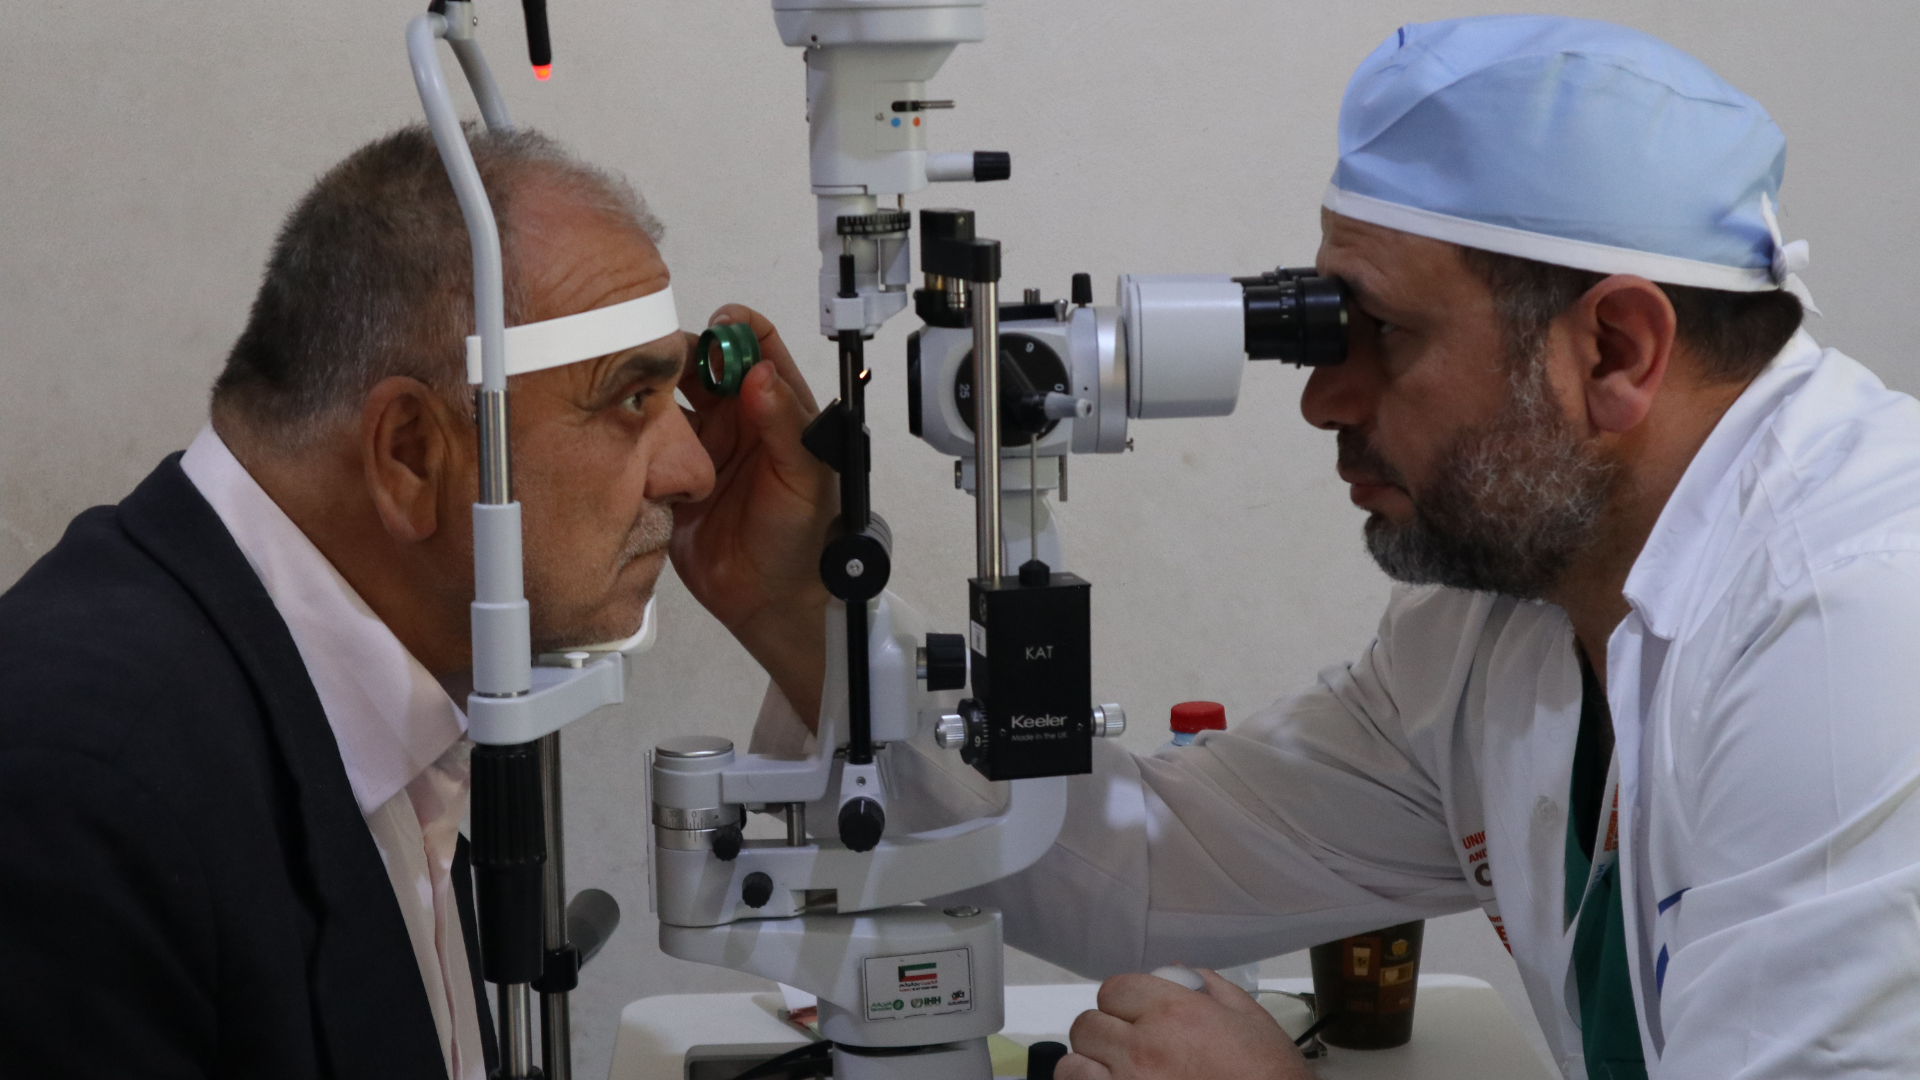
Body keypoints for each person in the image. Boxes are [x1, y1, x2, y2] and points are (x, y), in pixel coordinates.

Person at [721, 16, 1920, 1080]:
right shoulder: (1494, 623)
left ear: (1613, 349)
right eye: (1321, 325)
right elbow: (1146, 874)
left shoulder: (1856, 636)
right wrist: (797, 606)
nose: (1321, 401)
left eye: (1379, 331)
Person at [0, 125, 831, 1078]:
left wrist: (797, 602)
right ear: (409, 453)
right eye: (629, 402)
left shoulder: (344, 711)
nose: (691, 470)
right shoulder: (76, 800)